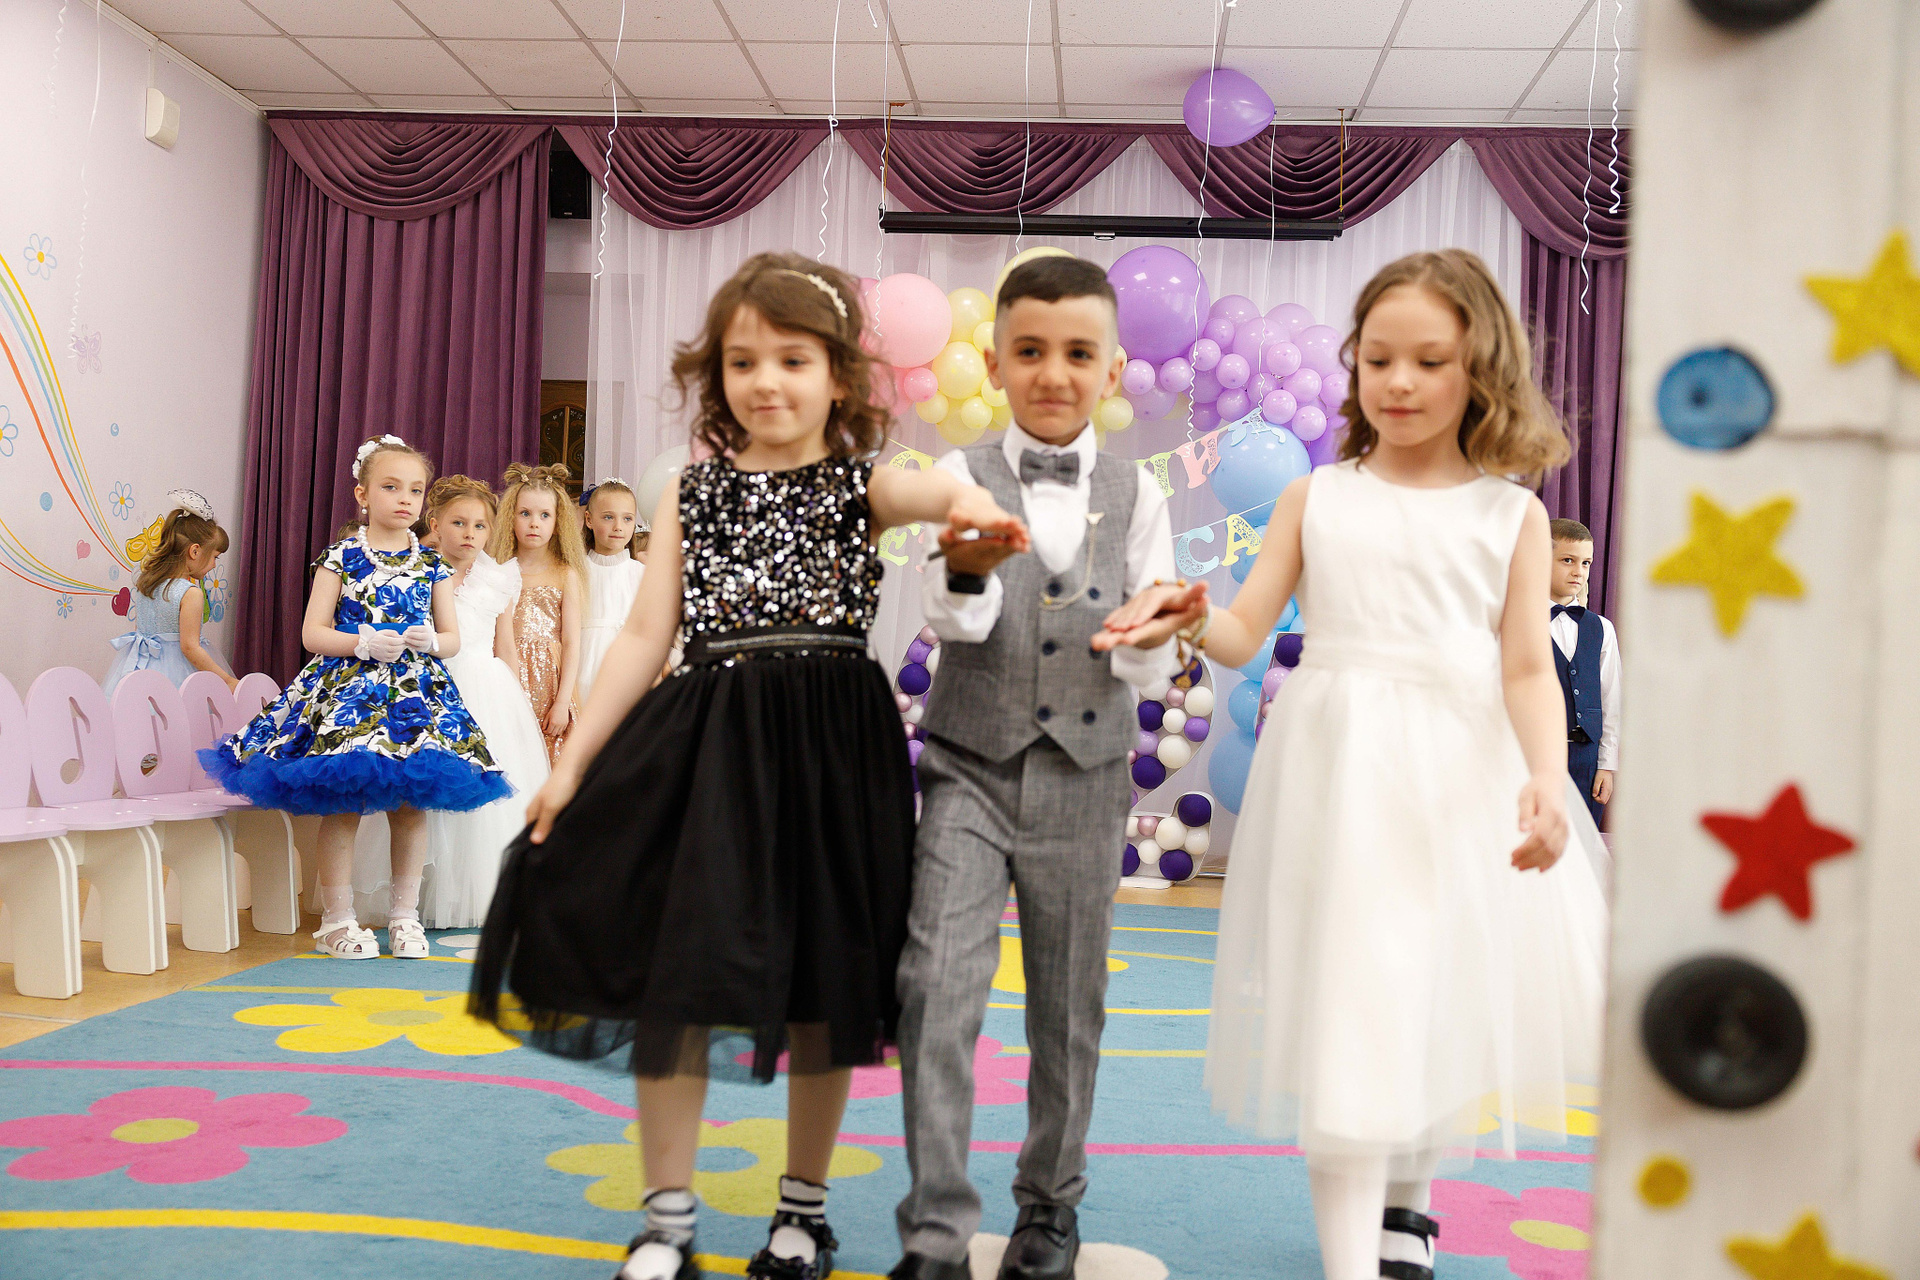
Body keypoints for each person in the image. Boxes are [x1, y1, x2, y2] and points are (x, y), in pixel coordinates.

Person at [470, 253, 1028, 1280]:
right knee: (674, 974)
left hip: (834, 755)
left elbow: (937, 488)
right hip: (710, 744)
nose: (766, 380)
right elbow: (646, 636)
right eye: (742, 360)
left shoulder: (863, 481)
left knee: (826, 983)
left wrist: (968, 510)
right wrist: (571, 764)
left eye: (793, 359)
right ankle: (666, 1221)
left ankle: (802, 1213)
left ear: (839, 376)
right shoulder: (694, 490)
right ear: (715, 374)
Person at [1102, 250, 1607, 1280]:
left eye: (1430, 360)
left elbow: (1524, 666)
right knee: (1352, 1001)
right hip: (1341, 773)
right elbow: (1244, 628)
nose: (1400, 381)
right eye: (1379, 359)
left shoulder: (1510, 515)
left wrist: (1544, 777)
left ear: (1482, 370)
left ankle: (1407, 1205)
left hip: (1460, 772)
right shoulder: (1318, 496)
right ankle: (1350, 1258)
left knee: (1433, 990)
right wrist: (1189, 613)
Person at [890, 254, 1197, 1280]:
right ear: (995, 363)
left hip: (1086, 768)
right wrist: (969, 565)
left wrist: (1152, 632)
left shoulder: (1137, 491)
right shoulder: (960, 472)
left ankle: (1050, 1205)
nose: (1053, 373)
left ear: (1111, 371)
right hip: (970, 765)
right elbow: (953, 619)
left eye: (1078, 353)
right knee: (935, 985)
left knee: (1069, 1004)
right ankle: (935, 1229)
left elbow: (1148, 652)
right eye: (1029, 351)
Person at [202, 434, 508, 960]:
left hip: (414, 696)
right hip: (348, 695)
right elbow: (312, 633)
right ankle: (337, 921)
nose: (405, 498)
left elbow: (453, 638)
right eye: (390, 487)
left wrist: (432, 641)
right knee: (343, 807)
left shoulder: (431, 564)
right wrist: (361, 642)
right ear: (362, 494)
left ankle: (405, 917)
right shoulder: (341, 557)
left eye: (415, 489)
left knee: (411, 807)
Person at [352, 476, 552, 928]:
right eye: (459, 523)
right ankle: (412, 897)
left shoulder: (501, 576)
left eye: (480, 526)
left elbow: (505, 644)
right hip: (428, 687)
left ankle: (477, 894)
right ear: (436, 524)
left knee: (480, 793)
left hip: (486, 690)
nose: (469, 534)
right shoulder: (417, 571)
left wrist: (519, 701)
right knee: (420, 791)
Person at [493, 462, 586, 766]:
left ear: (558, 523)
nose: (534, 523)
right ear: (511, 517)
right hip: (507, 676)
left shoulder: (565, 574)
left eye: (545, 515)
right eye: (525, 513)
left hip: (550, 685)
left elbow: (571, 642)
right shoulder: (498, 571)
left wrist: (562, 702)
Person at [102, 490, 236, 696]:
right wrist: (226, 680)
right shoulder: (190, 593)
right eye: (214, 557)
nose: (213, 565)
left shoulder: (147, 583)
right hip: (176, 677)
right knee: (177, 713)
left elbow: (141, 631)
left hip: (140, 670)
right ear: (195, 551)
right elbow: (190, 648)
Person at [1549, 518, 1620, 828]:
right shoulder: (1519, 622)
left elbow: (1611, 701)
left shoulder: (1602, 628)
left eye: (1586, 563)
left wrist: (1606, 765)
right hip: (1533, 756)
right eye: (1568, 560)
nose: (1579, 571)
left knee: (1581, 843)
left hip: (1587, 763)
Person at [579, 477, 648, 702]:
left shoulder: (642, 574)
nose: (618, 526)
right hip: (583, 665)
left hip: (629, 670)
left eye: (627, 518)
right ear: (589, 519)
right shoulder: (576, 572)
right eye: (608, 517)